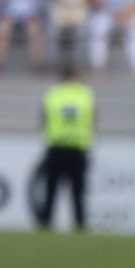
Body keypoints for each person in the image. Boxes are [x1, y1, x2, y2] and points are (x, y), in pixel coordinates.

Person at [32, 64, 95, 232]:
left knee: (51, 189)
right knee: (78, 191)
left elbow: (43, 119)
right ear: (74, 75)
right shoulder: (85, 94)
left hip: (56, 147)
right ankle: (80, 225)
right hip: (78, 147)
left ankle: (46, 223)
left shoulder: (53, 94)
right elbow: (93, 119)